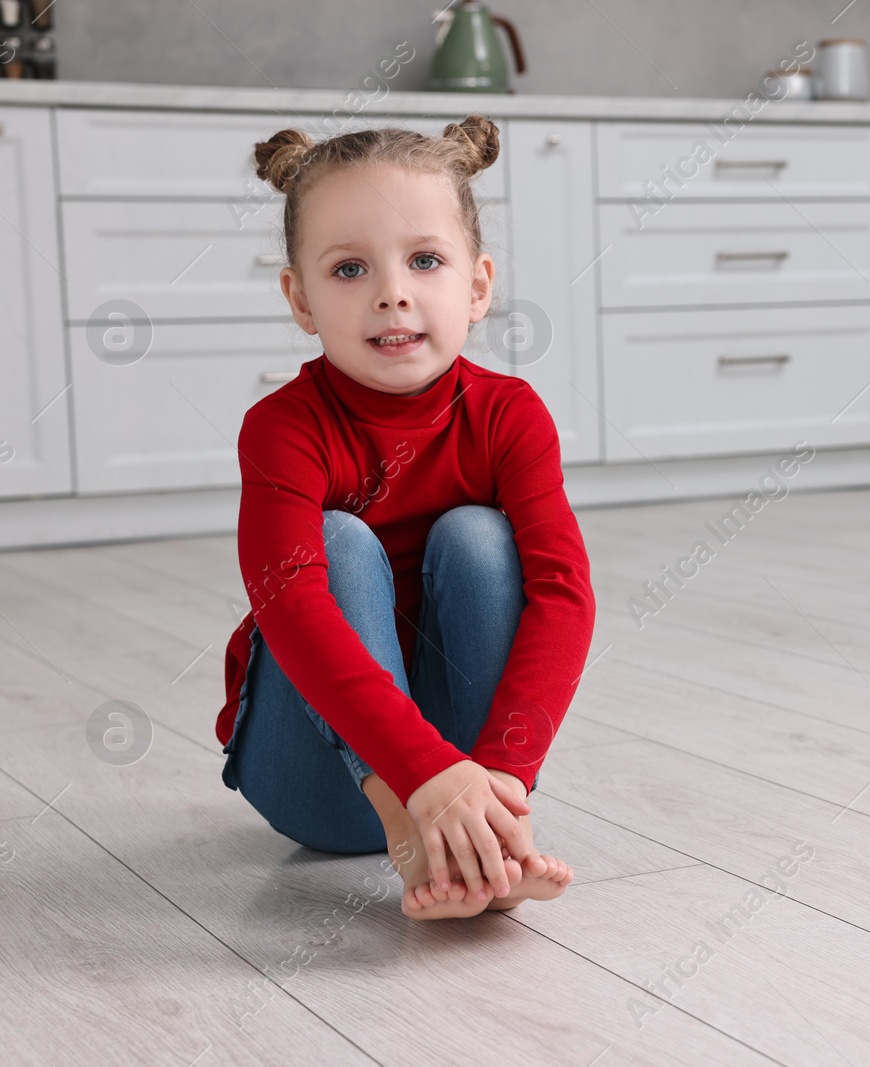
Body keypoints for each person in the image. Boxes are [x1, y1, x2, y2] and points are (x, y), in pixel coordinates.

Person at [213, 115, 594, 919]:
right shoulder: (282, 428)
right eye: (349, 268)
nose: (393, 290)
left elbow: (566, 594)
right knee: (337, 544)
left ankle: (483, 838)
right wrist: (419, 776)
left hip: (466, 771)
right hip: (314, 779)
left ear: (478, 286)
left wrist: (498, 776)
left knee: (481, 536)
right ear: (301, 299)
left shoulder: (511, 415)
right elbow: (295, 609)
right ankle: (410, 827)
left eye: (425, 260)